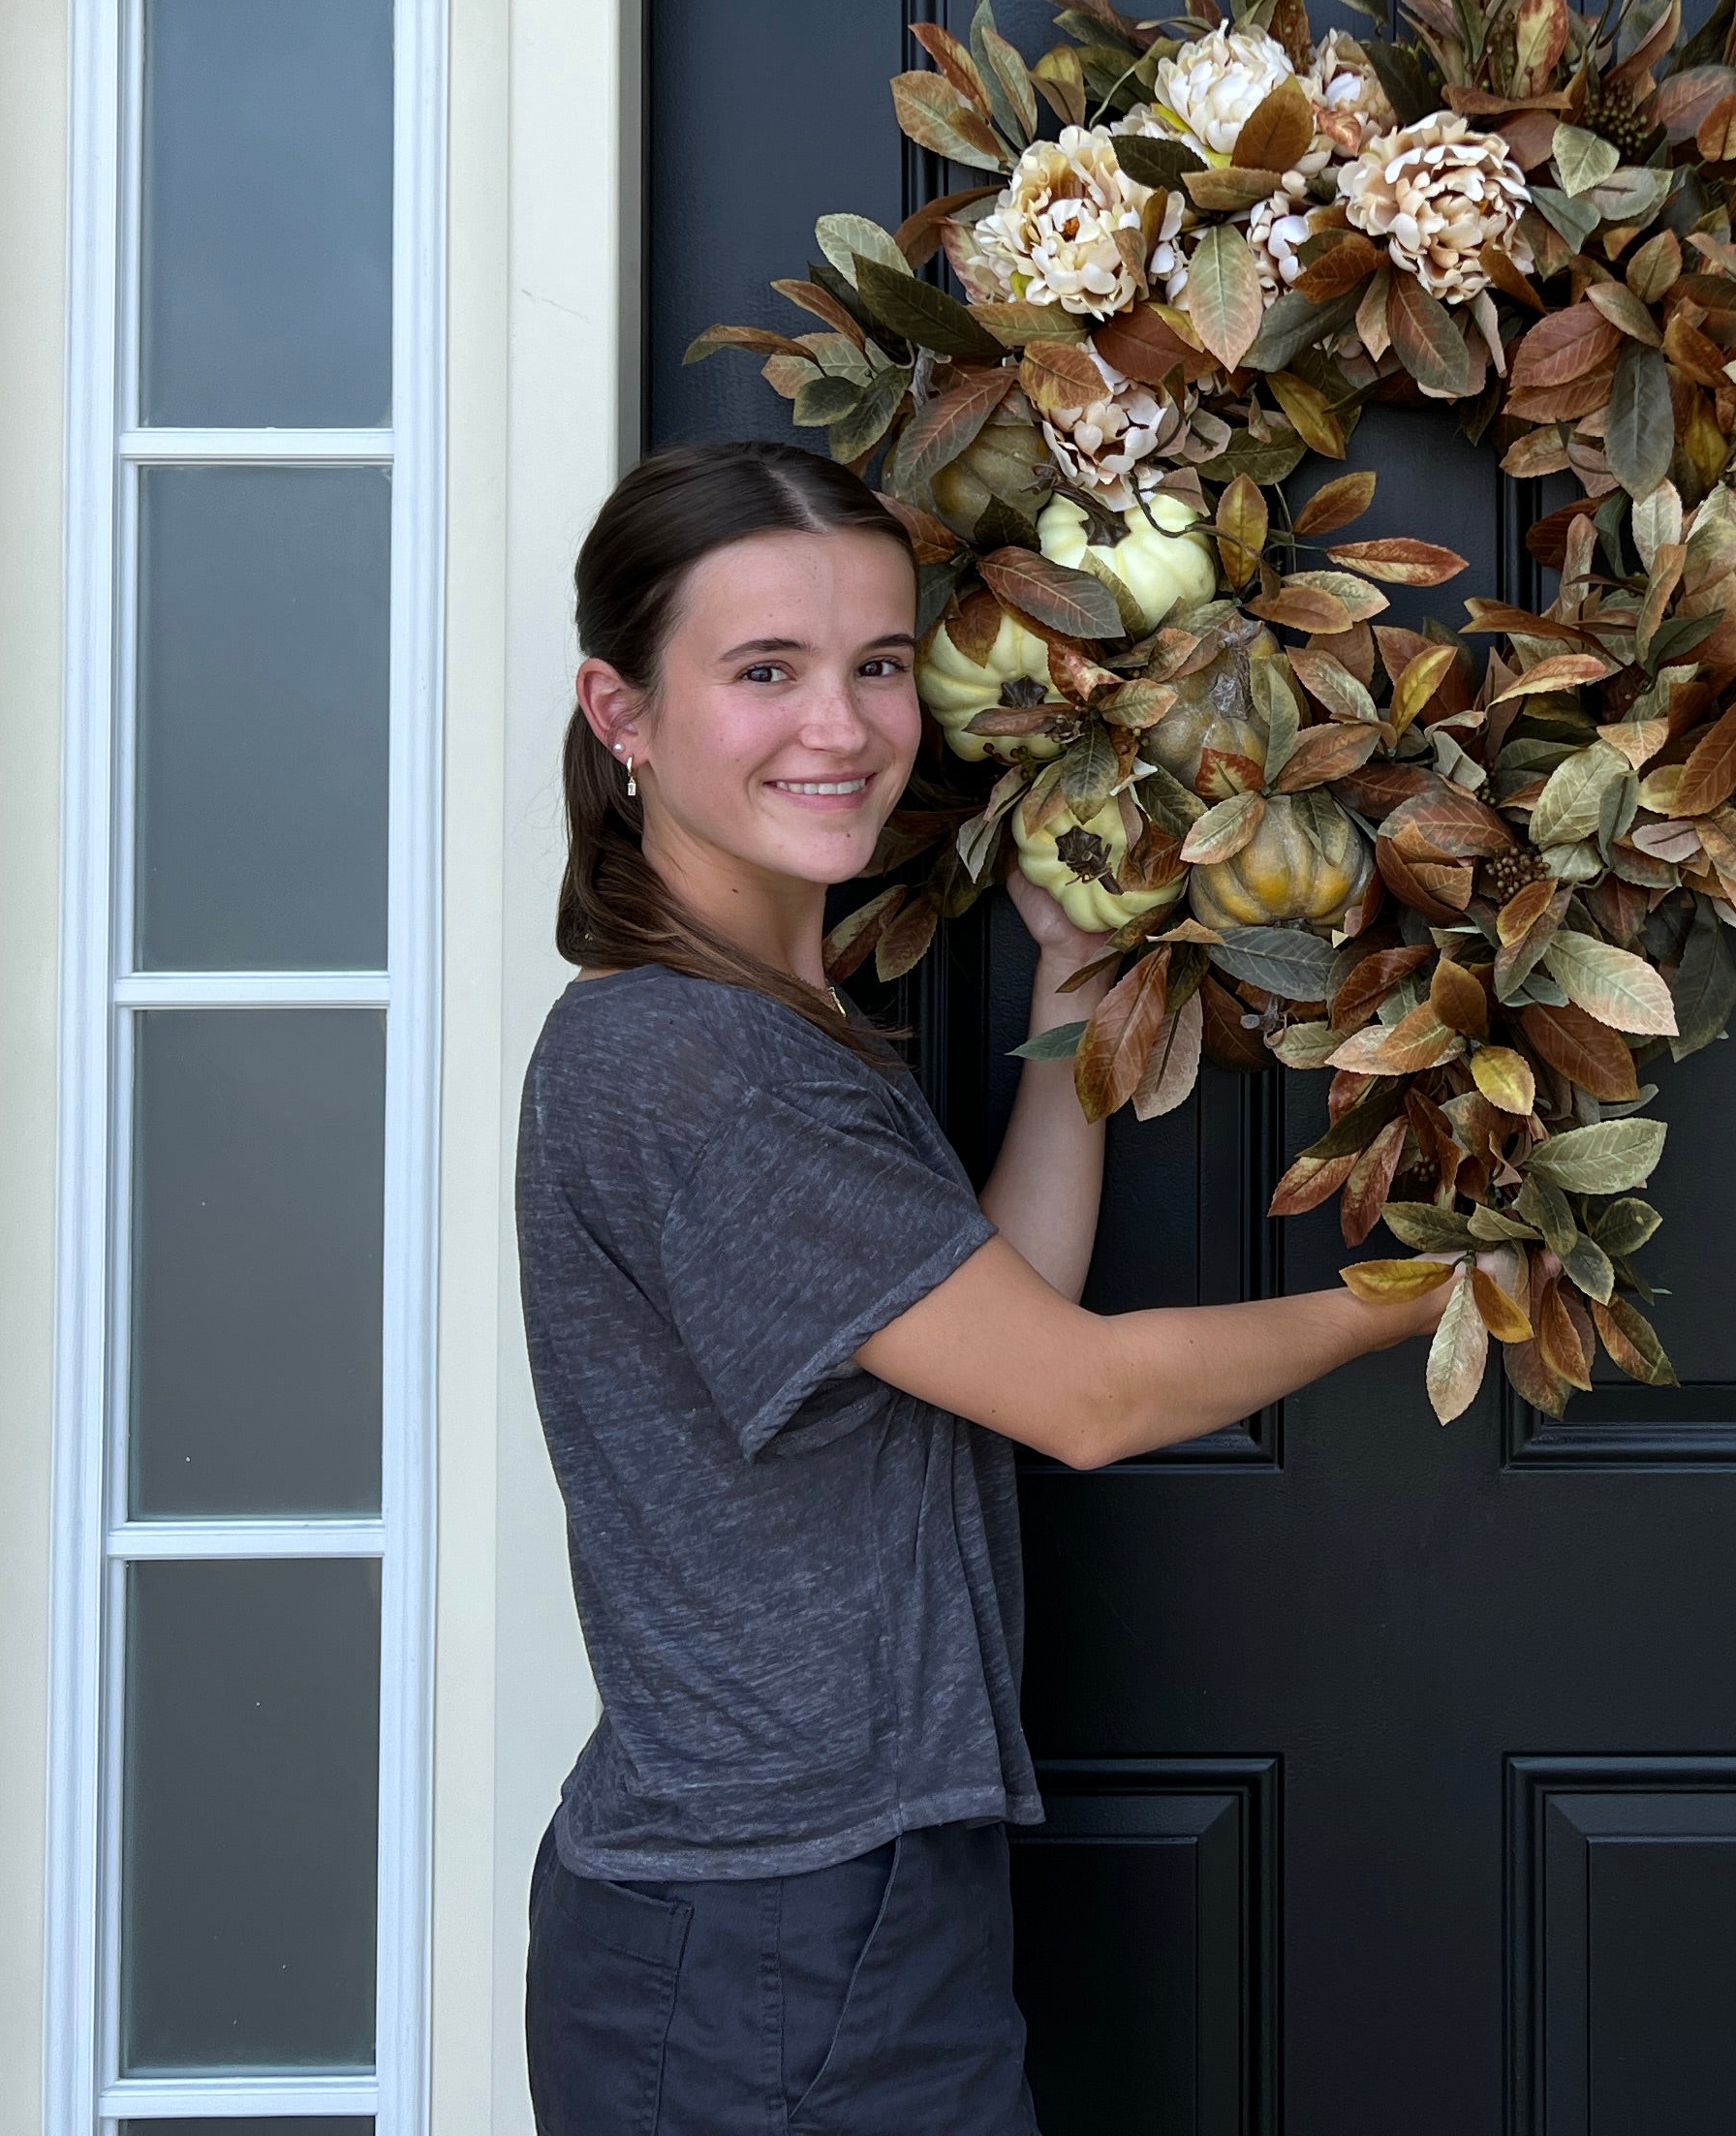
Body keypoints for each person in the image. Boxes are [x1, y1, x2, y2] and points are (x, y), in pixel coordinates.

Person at [516, 438, 1447, 2136]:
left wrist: (1076, 1007)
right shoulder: (685, 1065)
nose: (845, 727)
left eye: (878, 664)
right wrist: (1432, 1291)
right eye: (765, 672)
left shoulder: (760, 1033)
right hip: (772, 1935)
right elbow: (1081, 1399)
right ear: (622, 711)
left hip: (819, 1897)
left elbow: (997, 1312)